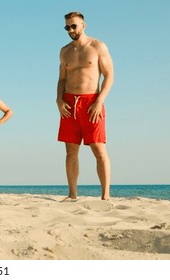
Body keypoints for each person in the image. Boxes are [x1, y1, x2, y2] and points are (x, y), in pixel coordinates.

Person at [56, 11, 114, 200]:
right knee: (70, 151)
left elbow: (109, 76)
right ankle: (72, 194)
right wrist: (58, 99)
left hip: (91, 102)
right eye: (67, 27)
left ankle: (105, 196)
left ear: (83, 25)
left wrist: (99, 101)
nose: (71, 30)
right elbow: (61, 79)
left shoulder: (98, 46)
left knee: (98, 149)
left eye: (74, 26)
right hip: (69, 103)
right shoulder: (65, 51)